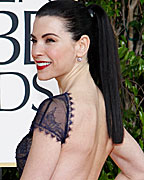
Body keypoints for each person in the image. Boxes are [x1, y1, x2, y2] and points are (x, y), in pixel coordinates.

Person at [16, 0, 144, 179]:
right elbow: (139, 171)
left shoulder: (58, 110)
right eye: (34, 40)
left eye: (50, 40)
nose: (36, 51)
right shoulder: (105, 110)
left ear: (81, 45)